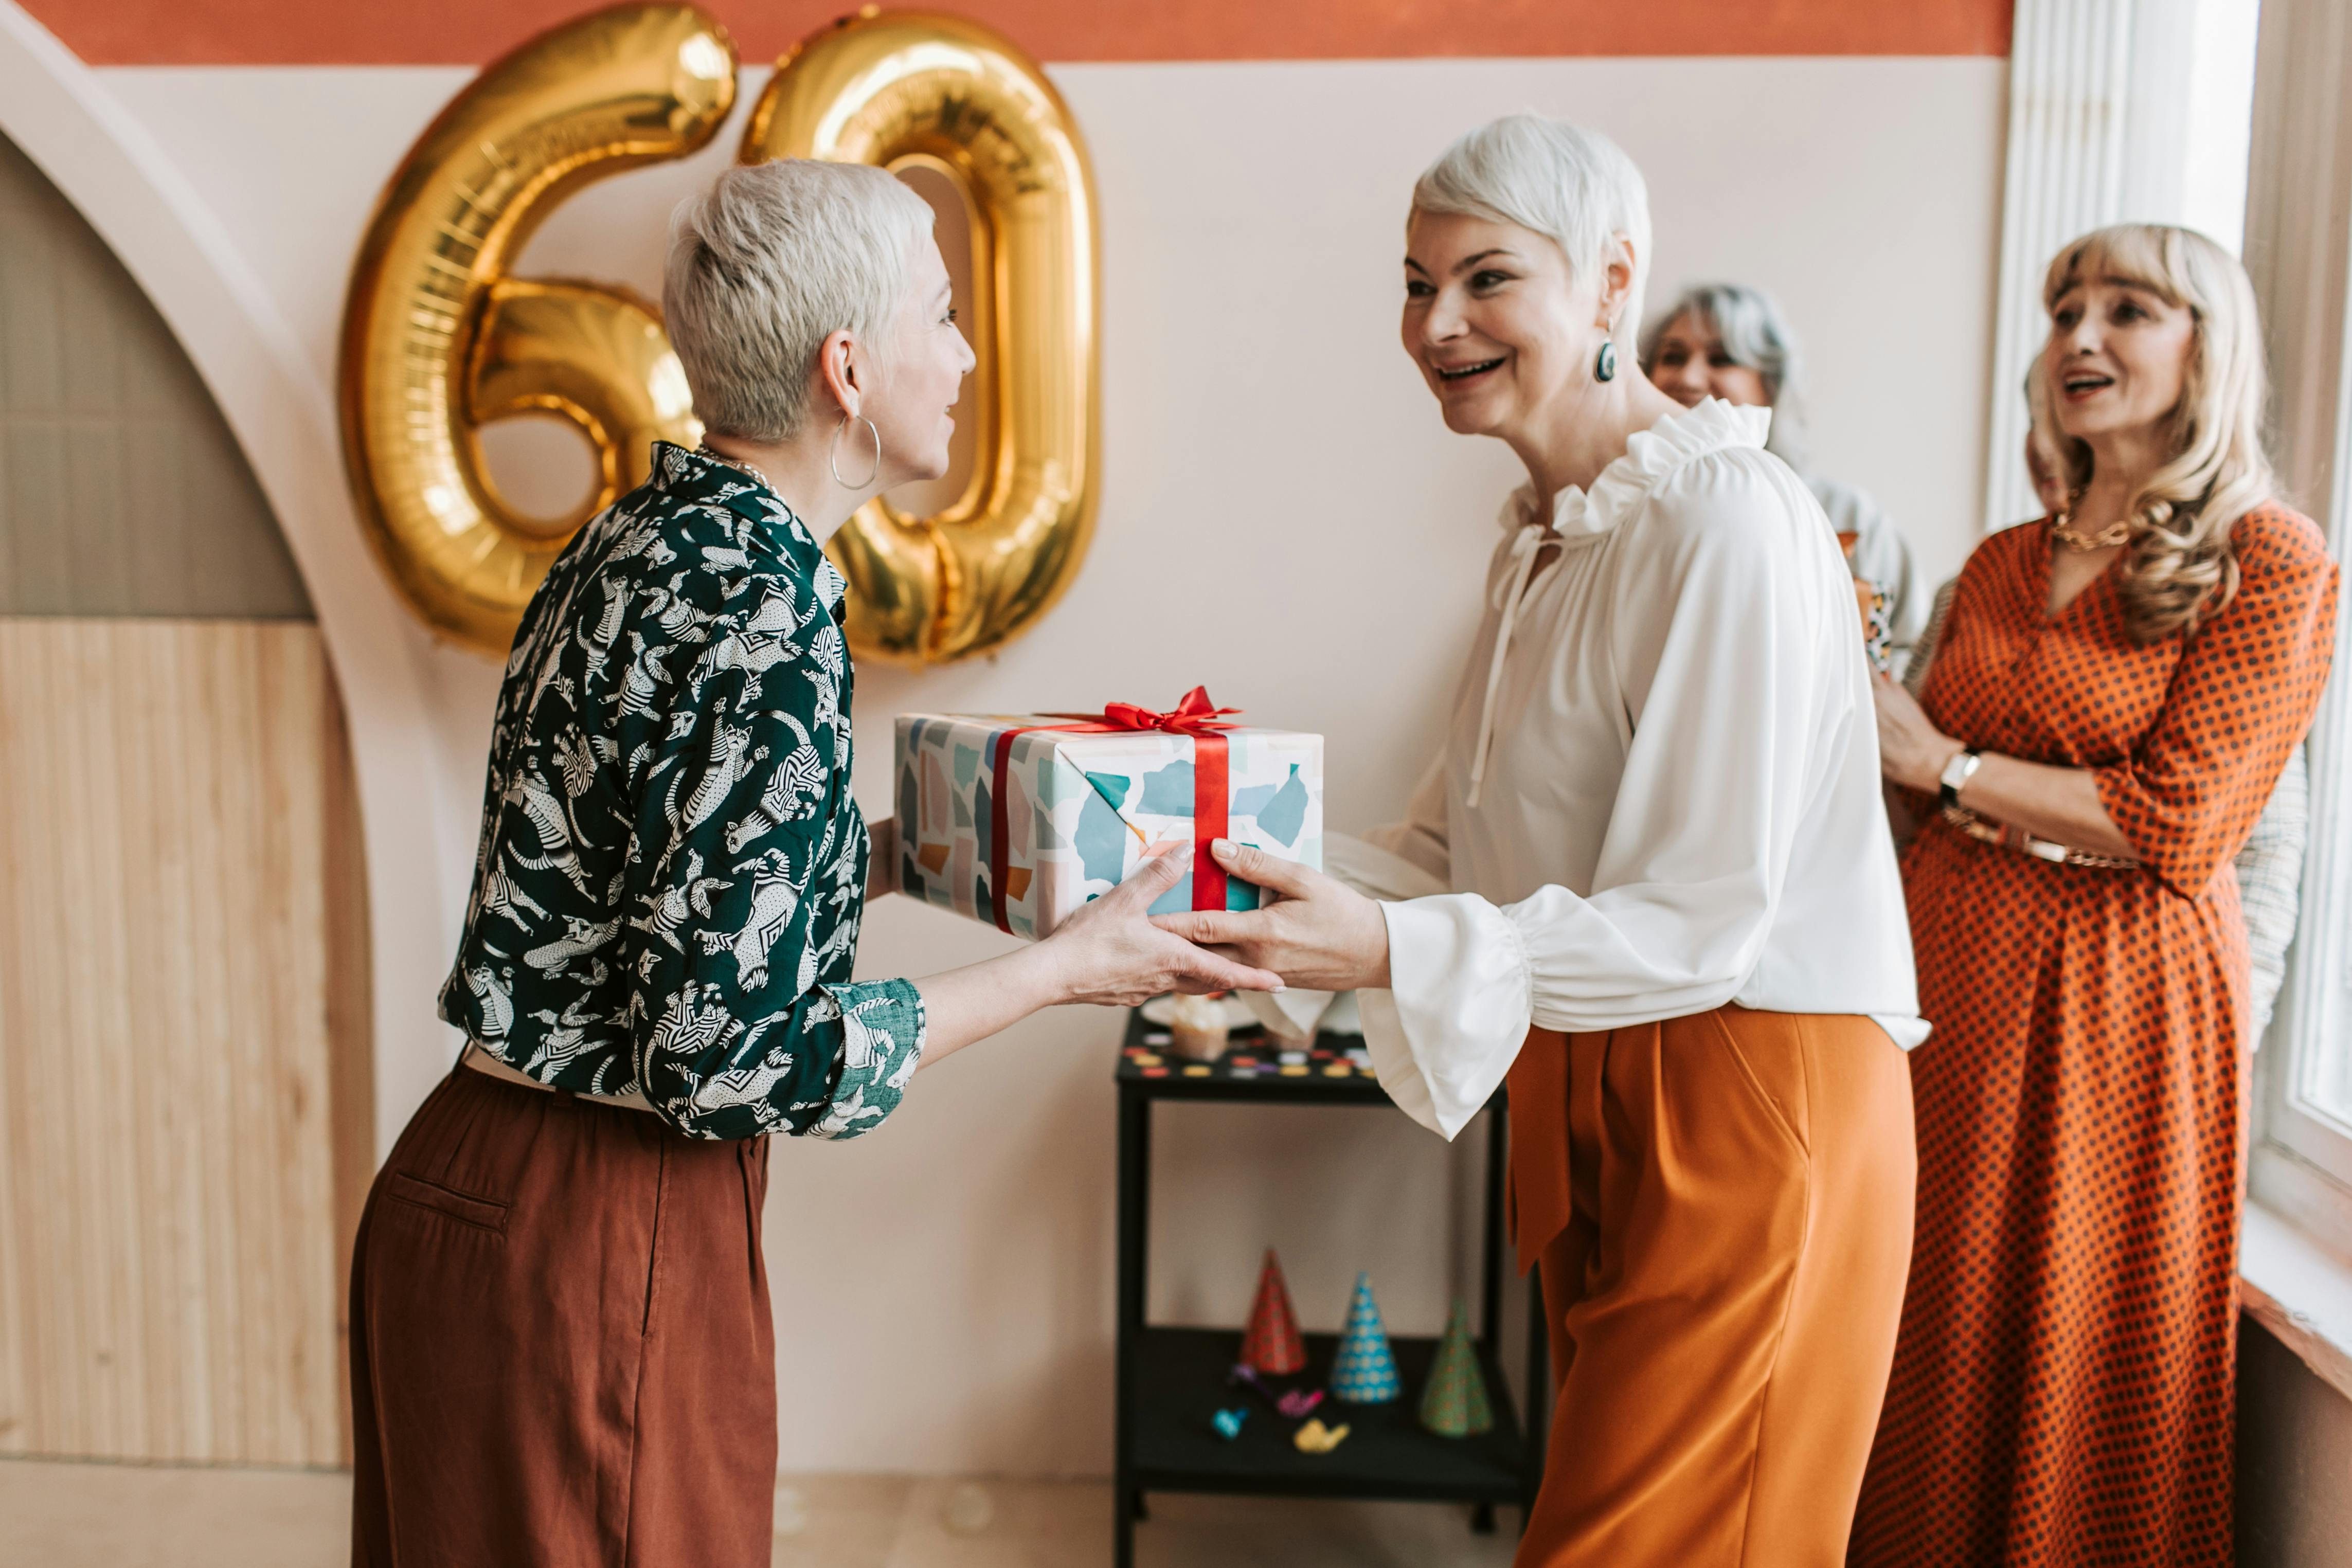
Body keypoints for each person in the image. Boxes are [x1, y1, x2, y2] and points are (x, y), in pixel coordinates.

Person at [346, 159, 1273, 1567]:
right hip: (597, 1232)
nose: (964, 355)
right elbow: (724, 1059)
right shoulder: (764, 610)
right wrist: (1055, 975)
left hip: (465, 1193)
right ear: (847, 366)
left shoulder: (639, 537)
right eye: (943, 315)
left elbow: (660, 882)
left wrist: (902, 853)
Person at [1158, 114, 1923, 1565]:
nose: (1433, 324)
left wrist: (1376, 939)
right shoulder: (1542, 540)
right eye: (1412, 281)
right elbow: (1458, 858)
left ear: (1612, 283)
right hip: (1590, 1090)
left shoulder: (1729, 523)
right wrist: (1220, 872)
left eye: (1483, 279)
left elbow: (1703, 919)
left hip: (1750, 1101)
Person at [1852, 224, 2338, 1564]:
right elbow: (1906, 783)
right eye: (2063, 306)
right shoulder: (2004, 557)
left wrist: (1940, 760)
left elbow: (2177, 821)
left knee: (2078, 1339)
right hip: (1943, 976)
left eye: (2128, 309)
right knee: (1922, 1323)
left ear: (2206, 349)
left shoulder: (2271, 562)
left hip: (2123, 1009)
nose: (2078, 335)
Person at [1643, 282, 1929, 672]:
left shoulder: (1848, 517)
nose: (1689, 378)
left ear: (1772, 386)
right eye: (1673, 357)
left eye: (1722, 358)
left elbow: (1905, 655)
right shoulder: (1625, 513)